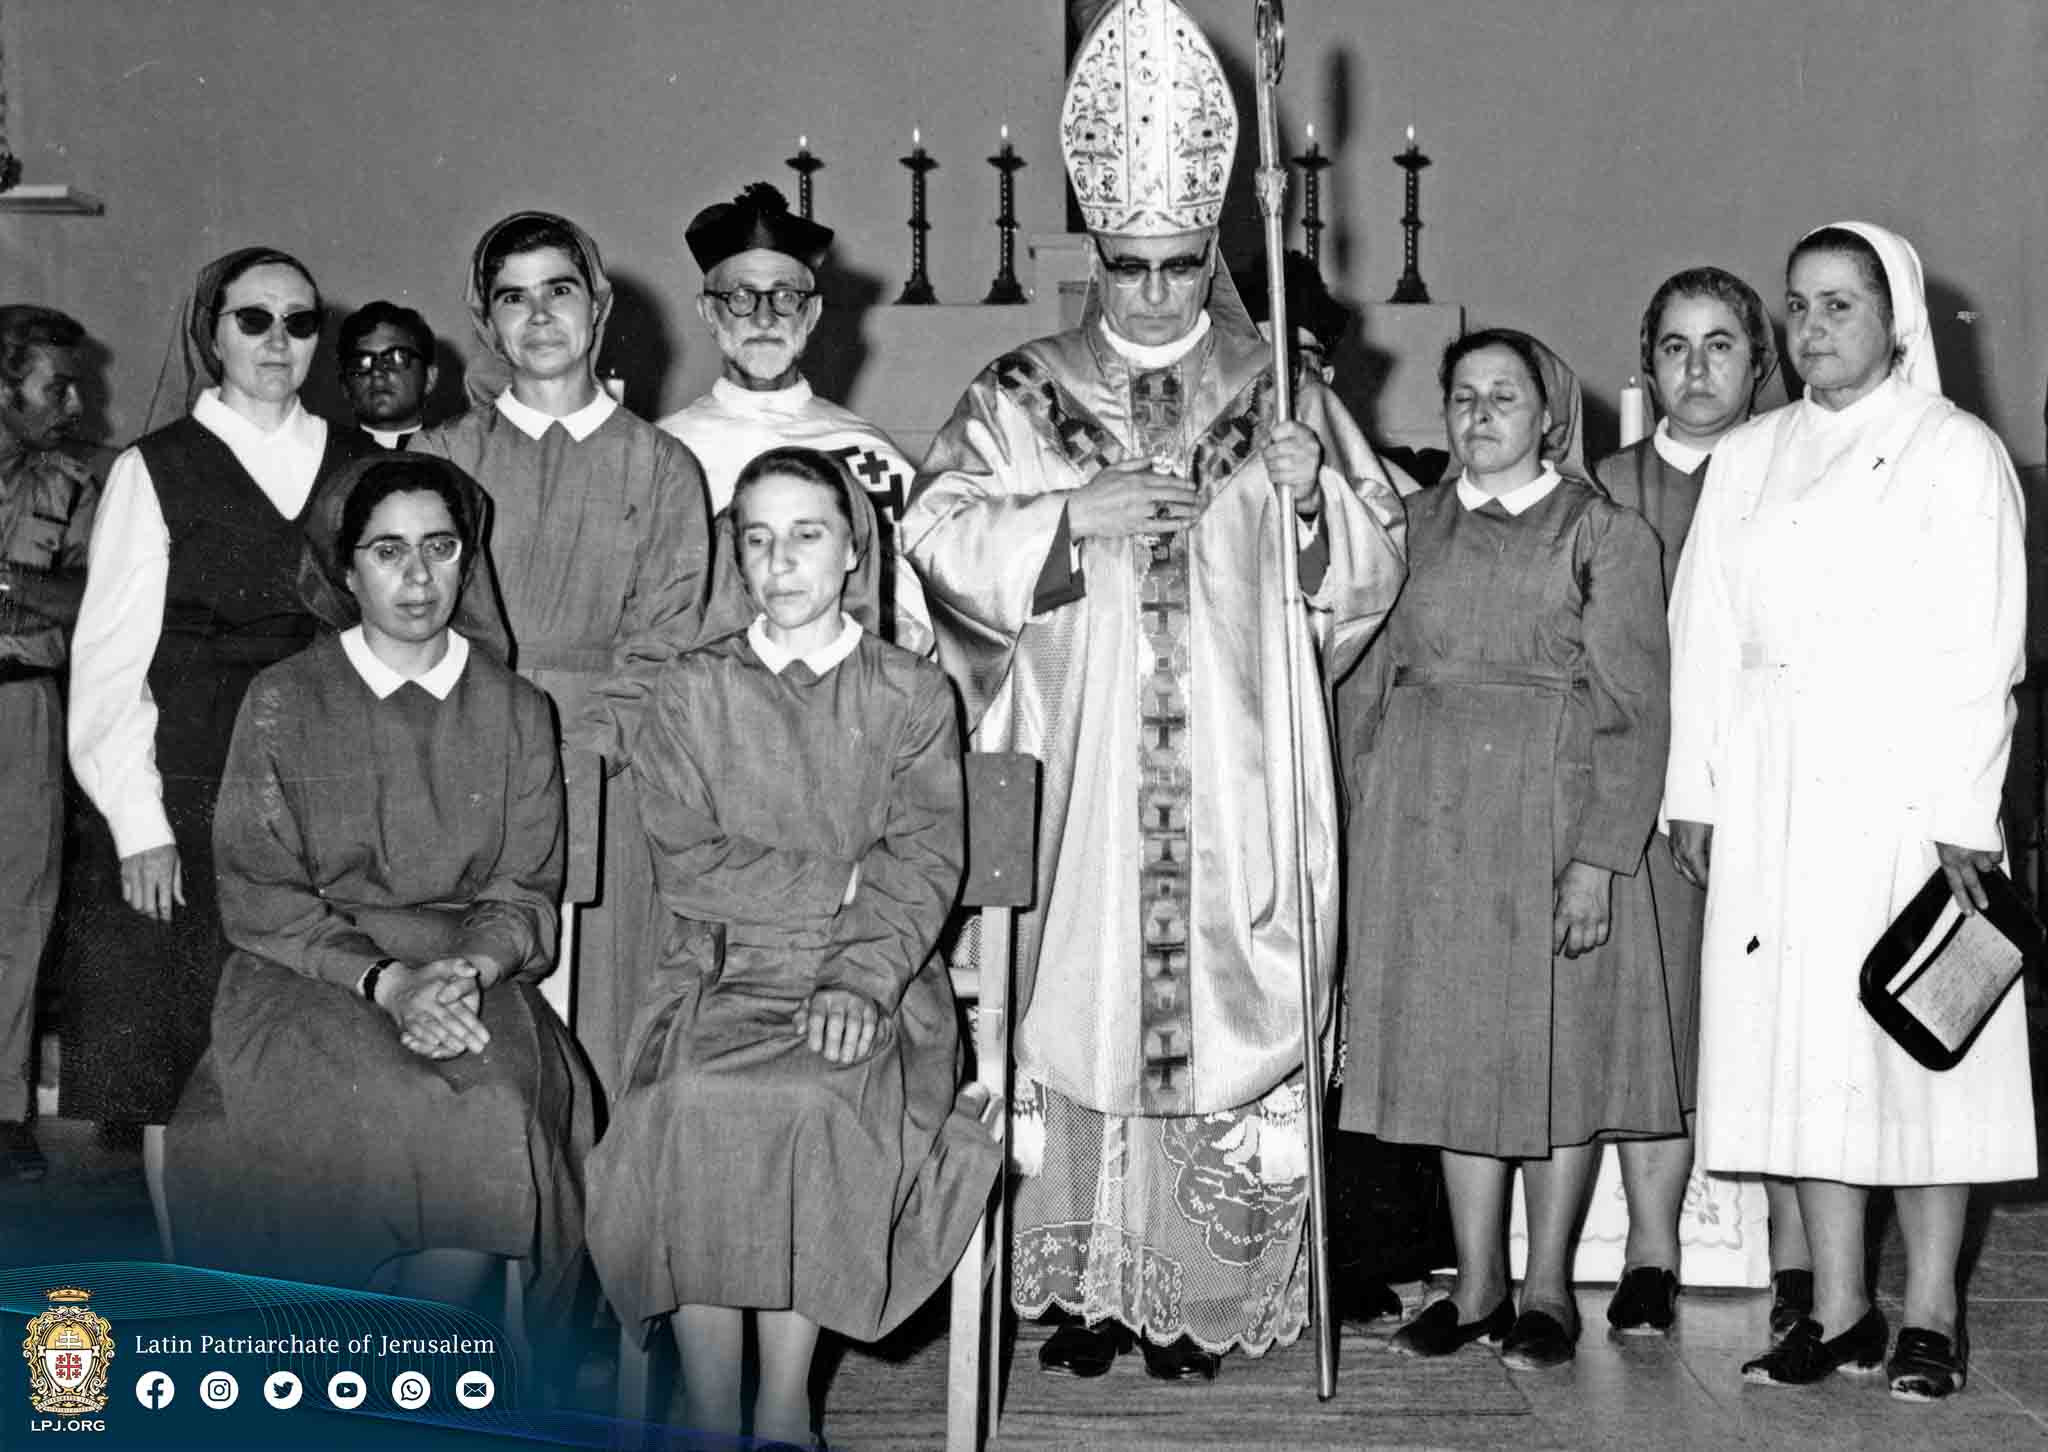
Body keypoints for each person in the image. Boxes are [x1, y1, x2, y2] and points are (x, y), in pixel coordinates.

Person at [904, 0, 1408, 1380]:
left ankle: (1193, 1293)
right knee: (1080, 1002)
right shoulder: (1021, 390)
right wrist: (1070, 519)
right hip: (1081, 770)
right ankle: (1086, 1291)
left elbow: (1366, 568)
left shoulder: (1276, 386)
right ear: (1097, 258)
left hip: (1234, 771)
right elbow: (934, 533)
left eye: (1179, 268)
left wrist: (1311, 504)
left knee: (1225, 1008)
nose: (1152, 296)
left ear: (1209, 258)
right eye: (1127, 268)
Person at [65, 247, 505, 1253]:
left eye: (300, 322)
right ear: (210, 333)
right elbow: (107, 663)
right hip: (186, 788)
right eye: (253, 320)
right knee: (178, 1056)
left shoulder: (360, 462)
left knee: (319, 1035)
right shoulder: (154, 468)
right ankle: (191, 1275)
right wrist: (137, 823)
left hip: (329, 784)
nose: (278, 342)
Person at [1667, 221, 2034, 1400]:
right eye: (1797, 305)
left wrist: (1963, 809)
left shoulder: (1951, 449)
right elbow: (1702, 633)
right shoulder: (1749, 454)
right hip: (1772, 790)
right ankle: (1834, 1310)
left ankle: (1928, 1312)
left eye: (1838, 304)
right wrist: (1694, 789)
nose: (1811, 327)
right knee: (1799, 1050)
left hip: (1902, 794)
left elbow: (1982, 645)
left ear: (1894, 316)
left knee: (1914, 1053)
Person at [587, 446, 999, 1448]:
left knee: (815, 1101)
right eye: (757, 539)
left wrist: (858, 975)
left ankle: (782, 1407)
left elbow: (921, 860)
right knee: (690, 1102)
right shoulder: (692, 688)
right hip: (717, 971)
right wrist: (840, 878)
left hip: (876, 975)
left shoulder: (908, 692)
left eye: (806, 536)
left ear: (853, 550)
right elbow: (688, 864)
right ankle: (710, 1407)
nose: (780, 563)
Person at [165, 453, 594, 1324]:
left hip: (469, 972)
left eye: (440, 547)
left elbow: (523, 887)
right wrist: (390, 984)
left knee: (485, 1112)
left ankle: (409, 1364)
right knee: (358, 1110)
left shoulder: (517, 708)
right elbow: (258, 889)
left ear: (467, 561)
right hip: (308, 969)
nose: (419, 576)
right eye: (388, 551)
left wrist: (462, 973)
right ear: (346, 569)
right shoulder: (284, 698)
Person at [1341, 328, 1677, 1371]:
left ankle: (1545, 1291)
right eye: (1462, 396)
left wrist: (1598, 859)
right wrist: (1364, 822)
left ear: (1548, 415)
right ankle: (1476, 1286)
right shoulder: (1403, 526)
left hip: (1552, 816)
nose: (1479, 414)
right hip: (1426, 824)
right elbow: (1361, 684)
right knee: (1453, 1053)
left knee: (1556, 1054)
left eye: (1503, 396)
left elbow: (1635, 708)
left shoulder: (1603, 533)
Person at [414, 211, 713, 1087]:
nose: (539, 315)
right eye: (513, 298)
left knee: (605, 1017)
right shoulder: (442, 456)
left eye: (559, 290)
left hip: (611, 770)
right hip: (467, 763)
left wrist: (582, 758)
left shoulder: (661, 465)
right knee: (474, 1025)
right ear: (486, 321)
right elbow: (410, 621)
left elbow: (668, 637)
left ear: (600, 305)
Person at [1591, 266, 1795, 1336]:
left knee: (1780, 1018)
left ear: (1757, 363)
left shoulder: (1794, 468)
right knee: (1653, 1022)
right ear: (1648, 365)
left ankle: (1799, 1261)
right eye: (1675, 346)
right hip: (1647, 796)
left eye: (1721, 345)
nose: (1697, 367)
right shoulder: (1604, 486)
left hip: (1773, 785)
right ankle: (1651, 1251)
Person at [659, 183, 932, 653]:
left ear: (812, 313)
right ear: (709, 312)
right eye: (741, 296)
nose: (765, 318)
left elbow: (918, 624)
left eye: (785, 297)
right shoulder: (662, 454)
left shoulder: (868, 456)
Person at [0, 305, 109, 1181]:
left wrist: (11, 583)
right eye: (56, 387)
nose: (75, 405)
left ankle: (4, 1113)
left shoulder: (78, 484)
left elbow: (94, 600)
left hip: (23, 706)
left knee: (20, 912)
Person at [337, 300, 439, 449]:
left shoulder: (458, 454)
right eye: (361, 362)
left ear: (429, 378)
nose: (377, 371)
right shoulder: (320, 455)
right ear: (345, 386)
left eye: (396, 358)